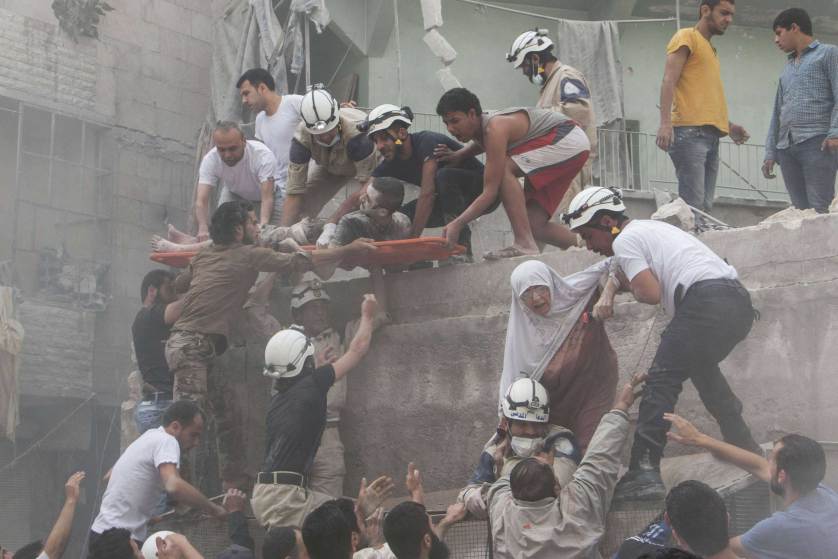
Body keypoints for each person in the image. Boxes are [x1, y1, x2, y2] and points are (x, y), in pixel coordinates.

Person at [565, 186, 760, 502]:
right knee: (702, 369)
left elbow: (650, 293)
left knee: (662, 380)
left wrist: (623, 289)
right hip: (735, 304)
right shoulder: (646, 230)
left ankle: (644, 471)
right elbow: (621, 268)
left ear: (605, 222)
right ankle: (742, 443)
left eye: (587, 236)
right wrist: (612, 288)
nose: (588, 246)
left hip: (704, 302)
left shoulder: (625, 239)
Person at [165, 201, 375, 489]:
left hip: (199, 347)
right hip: (191, 347)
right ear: (239, 231)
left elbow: (179, 284)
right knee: (187, 423)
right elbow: (302, 263)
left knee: (227, 416)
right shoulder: (247, 255)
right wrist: (348, 250)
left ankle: (232, 484)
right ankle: (178, 496)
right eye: (252, 223)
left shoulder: (205, 254)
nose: (257, 227)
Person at [251, 294, 380, 528]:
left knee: (332, 516)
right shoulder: (314, 384)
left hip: (265, 494)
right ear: (306, 363)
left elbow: (301, 385)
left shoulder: (278, 399)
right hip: (285, 499)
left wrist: (315, 365)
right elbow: (357, 350)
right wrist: (367, 316)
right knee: (345, 519)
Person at [486, 373, 646, 558]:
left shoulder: (502, 511)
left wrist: (500, 463)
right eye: (522, 424)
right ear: (556, 486)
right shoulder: (579, 504)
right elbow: (601, 459)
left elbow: (489, 490)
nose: (529, 431)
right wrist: (621, 406)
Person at [435, 88, 590, 259]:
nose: (450, 128)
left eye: (455, 121)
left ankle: (524, 243)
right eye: (446, 123)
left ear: (472, 114)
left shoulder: (495, 128)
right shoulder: (484, 129)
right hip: (574, 147)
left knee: (503, 170)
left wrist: (457, 223)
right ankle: (591, 246)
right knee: (533, 225)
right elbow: (481, 143)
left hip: (567, 138)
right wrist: (460, 154)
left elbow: (489, 192)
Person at [666, 413, 838, 558]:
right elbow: (758, 465)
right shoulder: (825, 495)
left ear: (782, 476)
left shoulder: (780, 527)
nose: (768, 461)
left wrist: (685, 534)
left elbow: (718, 549)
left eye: (772, 459)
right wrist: (699, 438)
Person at [500, 259, 618, 453]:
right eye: (527, 293)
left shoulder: (577, 292)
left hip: (594, 387)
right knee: (561, 453)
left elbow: (617, 261)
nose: (537, 298)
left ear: (551, 283)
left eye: (540, 288)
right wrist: (502, 430)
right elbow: (512, 380)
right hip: (556, 401)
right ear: (519, 300)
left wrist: (608, 292)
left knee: (593, 447)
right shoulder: (523, 333)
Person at [288, 274, 389, 498]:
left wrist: (377, 269)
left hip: (328, 433)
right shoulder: (284, 342)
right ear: (297, 313)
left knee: (328, 508)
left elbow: (377, 316)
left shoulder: (338, 335)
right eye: (312, 308)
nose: (320, 312)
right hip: (292, 432)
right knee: (289, 509)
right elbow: (254, 311)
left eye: (323, 306)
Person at [656, 0, 750, 214]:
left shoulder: (710, 50)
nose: (729, 20)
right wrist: (665, 123)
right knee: (693, 208)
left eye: (731, 15)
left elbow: (703, 99)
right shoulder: (686, 36)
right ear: (705, 10)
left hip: (710, 136)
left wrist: (729, 125)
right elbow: (668, 80)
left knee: (704, 208)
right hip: (690, 134)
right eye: (724, 13)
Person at [90, 401, 226, 547]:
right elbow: (174, 486)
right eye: (193, 435)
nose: (196, 443)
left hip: (101, 532)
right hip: (120, 539)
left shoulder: (149, 437)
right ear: (175, 427)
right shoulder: (167, 441)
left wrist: (143, 516)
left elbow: (109, 477)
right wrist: (214, 509)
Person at [364, 103, 488, 257]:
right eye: (376, 141)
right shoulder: (391, 161)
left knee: (444, 175)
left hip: (482, 192)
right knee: (402, 216)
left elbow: (427, 194)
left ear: (401, 133)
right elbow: (361, 195)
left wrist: (412, 241)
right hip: (449, 201)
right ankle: (415, 261)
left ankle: (459, 246)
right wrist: (332, 225)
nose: (380, 146)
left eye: (384, 139)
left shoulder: (427, 141)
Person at [459, 378, 580, 519]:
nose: (530, 431)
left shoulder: (561, 442)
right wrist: (470, 495)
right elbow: (468, 492)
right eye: (522, 423)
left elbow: (546, 490)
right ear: (506, 423)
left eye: (537, 424)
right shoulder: (494, 452)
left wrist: (498, 478)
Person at [506, 28, 598, 214]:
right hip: (556, 164)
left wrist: (534, 118)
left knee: (564, 222)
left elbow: (579, 111)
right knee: (540, 224)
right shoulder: (551, 84)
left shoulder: (566, 75)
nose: (524, 72)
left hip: (569, 164)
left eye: (524, 66)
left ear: (535, 59)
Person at [762, 8, 838, 213]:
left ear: (794, 27)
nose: (776, 40)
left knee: (819, 209)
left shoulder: (829, 53)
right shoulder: (787, 69)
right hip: (787, 148)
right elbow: (777, 112)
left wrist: (835, 132)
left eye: (779, 33)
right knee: (800, 212)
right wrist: (770, 151)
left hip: (817, 142)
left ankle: (825, 246)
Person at [284, 86, 378, 231]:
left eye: (329, 131)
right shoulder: (301, 139)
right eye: (319, 135)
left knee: (371, 203)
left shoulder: (357, 136)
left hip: (372, 163)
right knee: (304, 204)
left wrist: (333, 221)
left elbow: (367, 189)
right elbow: (294, 192)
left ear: (337, 120)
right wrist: (282, 232)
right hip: (330, 165)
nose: (325, 138)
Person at [195, 121, 280, 239]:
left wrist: (263, 226)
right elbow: (201, 200)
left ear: (244, 141)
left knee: (271, 237)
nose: (227, 155)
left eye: (232, 148)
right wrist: (202, 228)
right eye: (222, 150)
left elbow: (267, 198)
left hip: (269, 196)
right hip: (235, 194)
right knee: (222, 235)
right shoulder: (210, 160)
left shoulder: (262, 156)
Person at [237, 67, 304, 203]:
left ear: (262, 88)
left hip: (304, 186)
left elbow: (324, 116)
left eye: (246, 93)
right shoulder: (260, 119)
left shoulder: (294, 103)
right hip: (279, 191)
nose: (244, 100)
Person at [133, 270, 183, 434]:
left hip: (163, 404)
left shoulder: (154, 320)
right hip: (160, 406)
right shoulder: (146, 316)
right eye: (170, 289)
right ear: (152, 291)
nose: (175, 295)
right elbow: (180, 308)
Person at [5, 472, 85, 559]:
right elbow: (54, 550)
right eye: (2, 557)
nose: (9, 555)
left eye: (5, 551)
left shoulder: (20, 554)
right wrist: (71, 500)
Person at [331, 177, 411, 248]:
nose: (361, 198)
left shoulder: (350, 221)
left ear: (382, 212)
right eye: (364, 193)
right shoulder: (404, 220)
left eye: (367, 199)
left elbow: (332, 256)